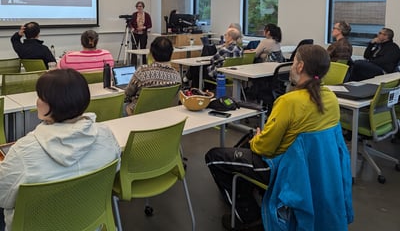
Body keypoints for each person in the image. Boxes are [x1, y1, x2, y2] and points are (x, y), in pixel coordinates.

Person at [205, 45, 341, 230]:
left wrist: (258, 138)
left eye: (293, 63)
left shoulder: (288, 102)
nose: (291, 67)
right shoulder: (331, 98)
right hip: (315, 169)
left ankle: (247, 217)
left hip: (283, 169)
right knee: (247, 143)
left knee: (215, 157)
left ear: (300, 66)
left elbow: (264, 149)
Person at [0, 69, 120, 230]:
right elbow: (115, 169)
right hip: (89, 222)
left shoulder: (23, 151)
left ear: (53, 104)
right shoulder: (106, 135)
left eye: (40, 97)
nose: (37, 102)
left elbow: (2, 196)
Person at [125, 36, 181, 115]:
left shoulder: (142, 71)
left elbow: (127, 94)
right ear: (171, 53)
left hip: (138, 114)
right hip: (164, 113)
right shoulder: (177, 76)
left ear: (151, 53)